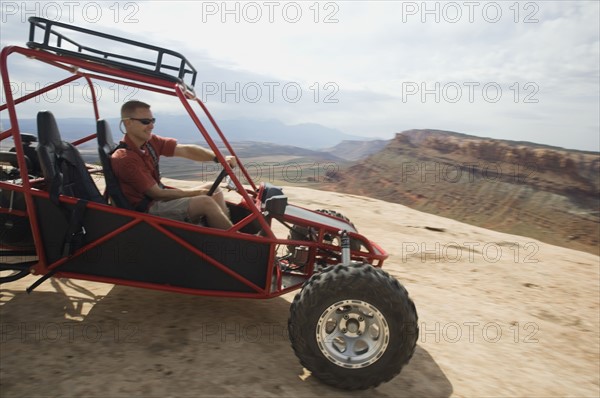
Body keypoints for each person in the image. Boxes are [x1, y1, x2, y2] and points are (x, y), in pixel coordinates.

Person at [111, 100, 236, 230]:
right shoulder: (125, 158)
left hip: (159, 201)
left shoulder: (149, 142)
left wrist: (218, 158)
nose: (151, 126)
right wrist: (197, 192)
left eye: (152, 120)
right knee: (205, 202)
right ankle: (239, 241)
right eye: (145, 122)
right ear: (128, 123)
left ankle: (229, 230)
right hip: (146, 211)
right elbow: (157, 194)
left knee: (213, 188)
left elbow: (186, 150)